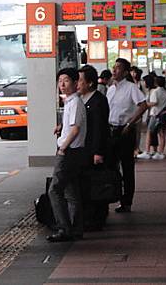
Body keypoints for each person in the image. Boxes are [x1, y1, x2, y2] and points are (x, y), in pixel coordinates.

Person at [47, 68, 87, 242]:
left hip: (69, 153)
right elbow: (71, 124)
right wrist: (62, 128)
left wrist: (63, 147)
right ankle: (76, 228)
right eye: (60, 81)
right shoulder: (70, 102)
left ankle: (64, 228)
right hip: (73, 152)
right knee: (71, 192)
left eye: (66, 81)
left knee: (54, 190)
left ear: (75, 83)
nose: (62, 85)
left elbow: (76, 129)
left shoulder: (76, 102)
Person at [106, 58, 148, 213]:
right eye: (114, 67)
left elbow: (143, 105)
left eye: (118, 68)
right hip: (110, 131)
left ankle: (127, 202)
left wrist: (130, 123)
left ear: (125, 72)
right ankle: (110, 195)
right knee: (110, 166)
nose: (114, 70)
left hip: (124, 131)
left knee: (127, 167)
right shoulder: (110, 89)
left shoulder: (131, 88)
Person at [77, 65, 109, 230]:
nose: (77, 84)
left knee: (98, 184)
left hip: (93, 149)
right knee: (88, 184)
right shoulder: (81, 99)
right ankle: (90, 216)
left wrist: (98, 152)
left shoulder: (98, 100)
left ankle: (98, 218)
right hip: (84, 149)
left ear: (89, 83)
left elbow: (99, 129)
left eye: (80, 80)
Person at [138, 76, 166, 160]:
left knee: (149, 132)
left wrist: (145, 104)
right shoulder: (165, 91)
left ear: (156, 82)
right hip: (162, 114)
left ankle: (147, 151)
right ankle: (160, 152)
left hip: (155, 114)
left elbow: (154, 102)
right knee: (162, 134)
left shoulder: (155, 92)